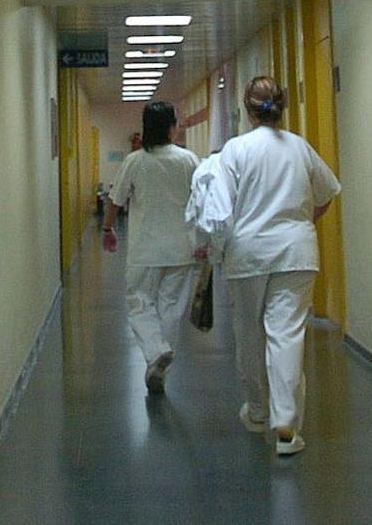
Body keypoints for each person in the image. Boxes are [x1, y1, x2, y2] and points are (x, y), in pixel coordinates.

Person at [208, 76, 340, 456]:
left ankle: (258, 410)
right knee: (286, 334)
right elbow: (326, 194)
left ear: (248, 110)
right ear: (282, 107)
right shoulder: (299, 148)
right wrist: (298, 223)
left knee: (249, 333)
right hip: (296, 252)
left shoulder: (235, 151)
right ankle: (287, 423)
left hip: (247, 254)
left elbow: (221, 207)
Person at [102, 102, 201, 394]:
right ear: (172, 126)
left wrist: (107, 229)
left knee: (140, 304)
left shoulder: (135, 161)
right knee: (170, 308)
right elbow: (204, 200)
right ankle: (159, 363)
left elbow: (115, 200)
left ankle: (156, 352)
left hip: (145, 248)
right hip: (182, 248)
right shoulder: (189, 160)